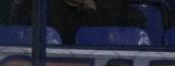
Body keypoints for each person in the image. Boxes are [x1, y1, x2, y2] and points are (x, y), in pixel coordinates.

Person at [9, 0, 146, 45]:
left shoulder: (121, 11)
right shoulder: (40, 7)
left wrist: (96, 5)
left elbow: (135, 19)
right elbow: (19, 21)